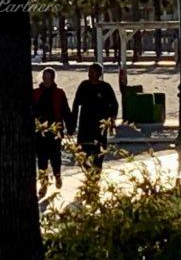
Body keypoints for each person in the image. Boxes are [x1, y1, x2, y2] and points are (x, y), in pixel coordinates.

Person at [70, 63, 118, 177]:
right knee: (83, 152)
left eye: (93, 72)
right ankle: (88, 173)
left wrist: (111, 120)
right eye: (89, 72)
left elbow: (114, 105)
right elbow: (76, 104)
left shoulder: (106, 87)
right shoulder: (84, 86)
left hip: (100, 127)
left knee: (98, 153)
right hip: (85, 125)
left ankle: (96, 175)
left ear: (99, 74)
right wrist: (72, 123)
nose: (90, 75)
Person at [32, 68, 71, 197]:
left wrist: (70, 127)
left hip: (55, 130)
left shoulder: (59, 93)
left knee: (55, 157)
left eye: (49, 77)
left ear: (53, 78)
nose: (46, 80)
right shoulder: (36, 93)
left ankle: (57, 176)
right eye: (44, 77)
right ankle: (43, 183)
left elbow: (65, 111)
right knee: (42, 159)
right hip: (40, 131)